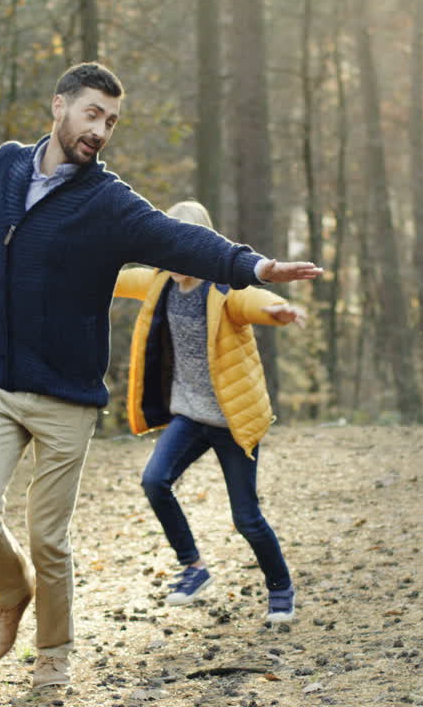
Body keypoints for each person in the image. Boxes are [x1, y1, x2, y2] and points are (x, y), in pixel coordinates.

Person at [0, 62, 323, 689]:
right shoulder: (2, 171)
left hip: (67, 399)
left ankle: (53, 658)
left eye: (110, 121)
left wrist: (256, 266)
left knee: (48, 537)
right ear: (59, 106)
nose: (100, 130)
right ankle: (12, 593)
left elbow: (176, 239)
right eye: (91, 114)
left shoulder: (108, 201)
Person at [113, 201, 308, 624]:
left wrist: (277, 311)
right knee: (154, 481)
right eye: (167, 246)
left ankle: (280, 587)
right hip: (189, 416)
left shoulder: (222, 287)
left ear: (201, 246)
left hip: (230, 421)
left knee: (246, 517)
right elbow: (112, 278)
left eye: (184, 247)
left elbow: (252, 300)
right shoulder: (159, 282)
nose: (175, 257)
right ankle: (194, 568)